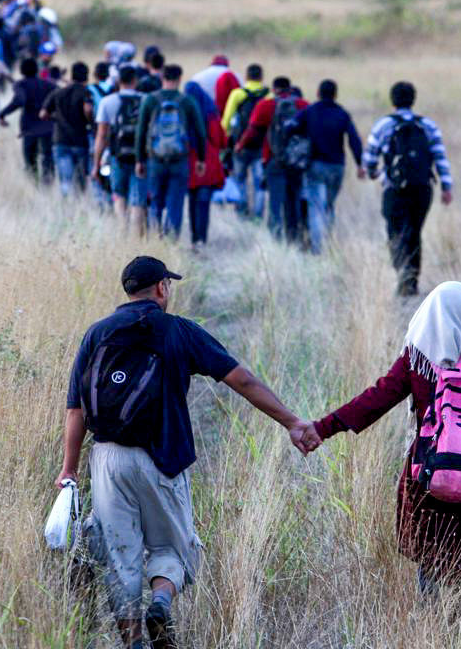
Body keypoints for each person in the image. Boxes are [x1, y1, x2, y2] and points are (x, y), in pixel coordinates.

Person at [55, 256, 314, 649]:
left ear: (127, 290)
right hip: (164, 458)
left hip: (107, 459)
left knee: (120, 558)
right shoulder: (179, 331)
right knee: (173, 547)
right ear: (161, 288)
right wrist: (292, 422)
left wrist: (69, 469)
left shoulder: (97, 334)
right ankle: (160, 601)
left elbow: (75, 409)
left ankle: (134, 642)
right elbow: (241, 379)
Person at [295, 282, 461, 594]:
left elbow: (374, 400)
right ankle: (460, 625)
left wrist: (322, 429)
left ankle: (430, 623)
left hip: (427, 475)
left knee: (430, 557)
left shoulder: (415, 361)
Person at [363, 81, 452, 297]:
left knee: (396, 232)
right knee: (415, 232)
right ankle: (412, 281)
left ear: (392, 100)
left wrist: (379, 175)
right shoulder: (428, 125)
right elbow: (440, 158)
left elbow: (369, 160)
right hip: (423, 189)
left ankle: (402, 276)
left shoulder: (383, 125)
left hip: (395, 189)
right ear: (414, 99)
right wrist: (446, 187)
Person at [136, 65, 206, 240]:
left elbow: (141, 131)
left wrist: (140, 159)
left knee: (155, 202)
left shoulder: (150, 100)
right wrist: (201, 159)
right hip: (179, 160)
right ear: (179, 78)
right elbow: (200, 132)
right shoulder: (187, 101)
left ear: (162, 77)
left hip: (155, 159)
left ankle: (155, 240)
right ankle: (171, 242)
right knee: (175, 203)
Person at [295, 79, 365, 254]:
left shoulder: (309, 112)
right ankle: (329, 243)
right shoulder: (342, 114)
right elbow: (354, 140)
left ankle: (318, 250)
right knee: (329, 205)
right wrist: (360, 164)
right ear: (335, 95)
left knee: (316, 207)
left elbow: (291, 128)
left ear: (318, 93)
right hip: (337, 167)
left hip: (315, 166)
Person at [236, 76, 309, 243]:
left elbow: (252, 131)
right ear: (290, 89)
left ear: (274, 89)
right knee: (294, 202)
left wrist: (240, 145)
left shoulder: (266, 105)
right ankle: (294, 239)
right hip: (296, 163)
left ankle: (276, 240)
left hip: (274, 161)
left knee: (275, 203)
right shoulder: (303, 105)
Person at [94, 66, 148, 233]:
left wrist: (96, 164)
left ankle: (122, 230)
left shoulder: (107, 102)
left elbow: (102, 136)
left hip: (117, 156)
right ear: (135, 81)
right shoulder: (146, 100)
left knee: (119, 194)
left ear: (118, 82)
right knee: (138, 199)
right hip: (142, 157)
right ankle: (136, 236)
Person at [221, 64, 269, 220]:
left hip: (240, 146)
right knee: (259, 183)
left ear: (246, 77)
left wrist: (226, 140)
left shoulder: (237, 94)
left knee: (240, 179)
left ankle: (242, 214)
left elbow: (226, 121)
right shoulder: (268, 95)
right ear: (261, 77)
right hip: (262, 146)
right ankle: (258, 215)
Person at [0, 58, 57, 185]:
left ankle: (33, 185)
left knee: (30, 160)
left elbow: (19, 100)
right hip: (48, 127)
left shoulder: (20, 84)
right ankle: (48, 185)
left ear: (21, 71)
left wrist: (3, 113)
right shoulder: (48, 84)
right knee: (47, 157)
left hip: (29, 128)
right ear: (37, 69)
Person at [184, 81, 226, 250]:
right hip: (208, 161)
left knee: (192, 202)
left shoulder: (185, 110)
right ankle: (202, 238)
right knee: (204, 202)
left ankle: (194, 238)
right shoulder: (210, 112)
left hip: (189, 160)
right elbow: (219, 139)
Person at [41, 62, 94, 197]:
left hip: (61, 140)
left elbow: (43, 114)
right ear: (86, 76)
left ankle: (66, 206)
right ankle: (79, 203)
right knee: (81, 179)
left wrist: (56, 118)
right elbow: (88, 110)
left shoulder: (58, 92)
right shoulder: (86, 92)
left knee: (65, 179)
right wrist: (90, 122)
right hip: (80, 140)